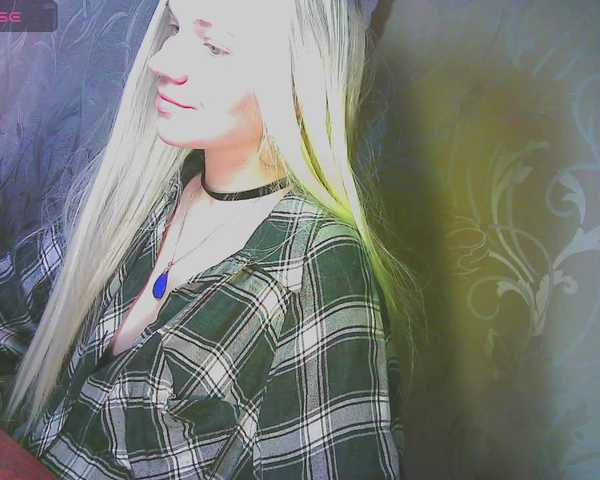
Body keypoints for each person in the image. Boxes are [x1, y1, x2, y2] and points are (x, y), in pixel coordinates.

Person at [0, 0, 425, 478]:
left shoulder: (317, 265)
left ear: (297, 76)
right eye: (175, 28)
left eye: (215, 46)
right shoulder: (138, 198)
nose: (161, 61)